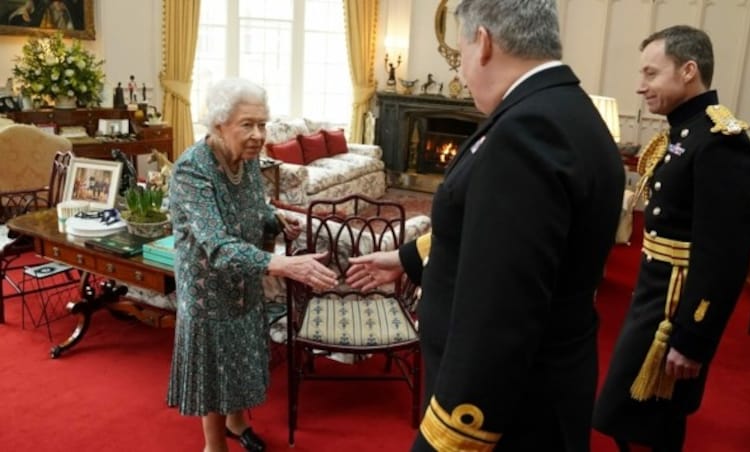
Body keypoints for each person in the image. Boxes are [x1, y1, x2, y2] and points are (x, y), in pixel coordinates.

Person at [346, 0, 624, 449]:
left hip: (509, 415)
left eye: (460, 52)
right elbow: (496, 236)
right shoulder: (567, 110)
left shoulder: (526, 132)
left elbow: (499, 312)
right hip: (549, 387)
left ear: (484, 42)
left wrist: (448, 437)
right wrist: (405, 258)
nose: (462, 70)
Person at [592, 25, 750, 451]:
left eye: (651, 74)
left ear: (688, 71)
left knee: (648, 413)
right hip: (654, 297)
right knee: (639, 414)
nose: (640, 86)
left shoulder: (722, 143)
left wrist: (693, 338)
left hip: (677, 310)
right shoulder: (682, 132)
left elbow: (723, 256)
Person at [166, 77, 337, 452]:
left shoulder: (247, 157)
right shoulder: (192, 171)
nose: (259, 135)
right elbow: (216, 245)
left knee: (240, 356)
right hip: (207, 289)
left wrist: (274, 218)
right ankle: (215, 444)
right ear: (218, 124)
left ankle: (238, 421)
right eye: (247, 124)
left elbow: (254, 205)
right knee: (215, 368)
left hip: (245, 281)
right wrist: (283, 265)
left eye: (262, 124)